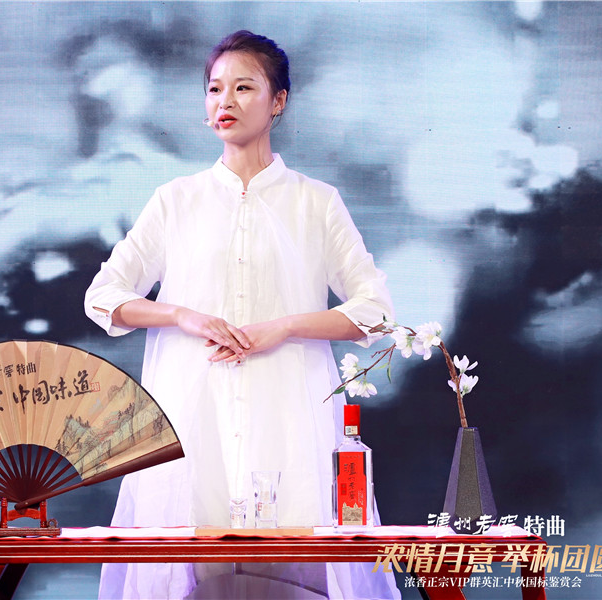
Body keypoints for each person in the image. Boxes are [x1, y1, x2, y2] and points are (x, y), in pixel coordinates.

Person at [85, 30, 400, 600]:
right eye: (214, 89)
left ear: (278, 101)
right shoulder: (176, 200)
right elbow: (104, 295)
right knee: (189, 563)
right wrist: (182, 315)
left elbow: (375, 311)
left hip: (289, 413)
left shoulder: (315, 201)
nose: (224, 101)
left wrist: (285, 326)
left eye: (243, 87)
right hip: (192, 412)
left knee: (296, 569)